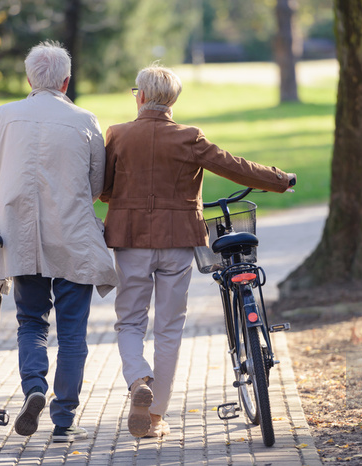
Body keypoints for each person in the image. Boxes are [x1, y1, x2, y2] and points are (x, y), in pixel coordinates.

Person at [0, 41, 118, 443]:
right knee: (72, 332)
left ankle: (34, 386)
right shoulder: (85, 120)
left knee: (32, 322)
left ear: (29, 79)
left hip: (20, 235)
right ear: (66, 81)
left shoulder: (6, 115)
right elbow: (98, 185)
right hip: (73, 236)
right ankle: (64, 420)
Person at [100, 65, 296, 438]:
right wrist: (279, 179)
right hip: (177, 242)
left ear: (140, 96)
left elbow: (105, 188)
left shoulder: (119, 136)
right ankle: (155, 415)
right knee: (169, 329)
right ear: (172, 100)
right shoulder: (189, 137)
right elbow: (233, 166)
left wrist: (121, 199)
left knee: (129, 321)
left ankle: (138, 378)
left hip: (130, 239)